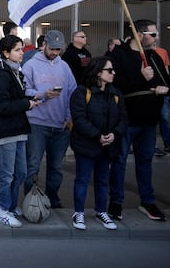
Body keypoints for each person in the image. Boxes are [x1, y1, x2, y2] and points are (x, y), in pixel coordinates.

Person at [107, 19, 170, 222]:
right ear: (139, 34)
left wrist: (164, 88)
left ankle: (148, 201)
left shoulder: (154, 56)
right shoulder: (118, 55)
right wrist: (140, 78)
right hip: (126, 120)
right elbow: (113, 84)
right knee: (119, 161)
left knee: (145, 162)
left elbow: (166, 81)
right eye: (152, 34)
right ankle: (115, 202)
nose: (156, 38)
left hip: (149, 120)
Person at [0, 35, 41, 228]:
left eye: (22, 49)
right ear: (6, 53)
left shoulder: (17, 72)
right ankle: (1, 210)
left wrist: (35, 98)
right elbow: (1, 105)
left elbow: (17, 97)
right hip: (3, 131)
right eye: (17, 50)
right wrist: (27, 103)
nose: (22, 53)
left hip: (18, 128)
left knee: (20, 172)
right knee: (6, 174)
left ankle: (10, 206)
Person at [69, 56, 126, 231]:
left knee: (103, 180)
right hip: (86, 145)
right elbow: (79, 119)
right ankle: (78, 212)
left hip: (107, 146)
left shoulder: (115, 94)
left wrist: (114, 134)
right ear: (98, 72)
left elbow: (123, 118)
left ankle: (101, 211)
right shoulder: (82, 92)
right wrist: (97, 135)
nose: (113, 73)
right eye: (110, 70)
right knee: (82, 179)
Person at [22, 29, 77, 208]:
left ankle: (53, 199)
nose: (55, 53)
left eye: (58, 50)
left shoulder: (65, 66)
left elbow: (72, 93)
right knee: (33, 166)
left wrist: (68, 117)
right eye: (52, 48)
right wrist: (42, 94)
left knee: (56, 168)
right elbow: (24, 91)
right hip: (36, 123)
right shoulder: (30, 65)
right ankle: (30, 202)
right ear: (44, 45)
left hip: (60, 125)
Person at [153, 44, 170, 155]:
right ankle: (153, 146)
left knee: (164, 118)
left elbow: (166, 70)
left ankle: (168, 144)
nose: (155, 37)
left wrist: (167, 85)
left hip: (162, 90)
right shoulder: (142, 52)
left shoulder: (162, 51)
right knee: (151, 119)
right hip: (150, 90)